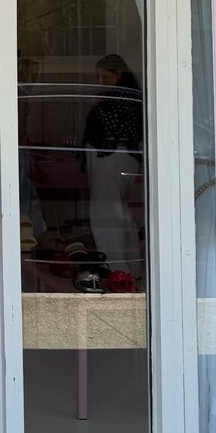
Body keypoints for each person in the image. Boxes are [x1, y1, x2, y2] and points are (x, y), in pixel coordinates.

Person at [82, 53, 144, 278]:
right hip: (122, 157)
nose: (101, 82)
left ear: (119, 75)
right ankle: (131, 267)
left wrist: (97, 103)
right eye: (98, 77)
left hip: (109, 157)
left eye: (105, 77)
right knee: (120, 212)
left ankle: (116, 267)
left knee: (106, 213)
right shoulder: (131, 97)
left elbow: (108, 128)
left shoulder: (116, 100)